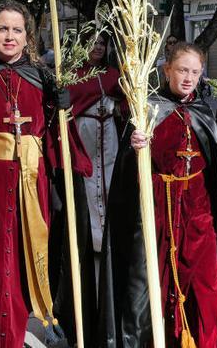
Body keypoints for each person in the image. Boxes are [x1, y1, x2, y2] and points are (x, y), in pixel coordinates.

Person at [0, 1, 88, 348]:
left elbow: (57, 139)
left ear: (28, 37)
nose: (10, 36)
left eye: (17, 30)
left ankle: (28, 334)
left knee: (28, 263)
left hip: (31, 181)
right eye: (2, 29)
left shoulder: (42, 77)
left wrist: (63, 109)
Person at [100, 41, 217, 348]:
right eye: (182, 69)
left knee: (205, 285)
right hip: (158, 210)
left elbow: (216, 169)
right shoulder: (149, 110)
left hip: (198, 213)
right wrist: (136, 145)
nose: (188, 77)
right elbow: (127, 171)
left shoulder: (204, 111)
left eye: (195, 72)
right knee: (153, 287)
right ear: (167, 69)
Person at [68, 33, 123, 270]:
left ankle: (110, 236)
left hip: (108, 129)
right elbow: (71, 102)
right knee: (89, 178)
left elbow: (125, 100)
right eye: (93, 43)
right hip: (86, 129)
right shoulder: (75, 74)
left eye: (102, 43)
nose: (98, 47)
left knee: (110, 179)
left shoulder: (112, 74)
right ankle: (92, 238)